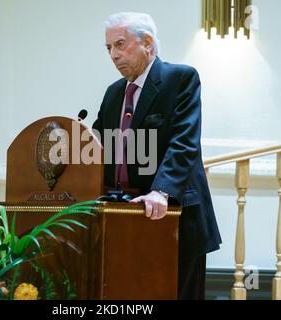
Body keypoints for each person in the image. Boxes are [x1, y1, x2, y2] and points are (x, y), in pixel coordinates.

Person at [92, 12, 222, 300]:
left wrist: (161, 191)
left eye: (120, 44)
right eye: (109, 48)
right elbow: (99, 146)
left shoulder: (180, 78)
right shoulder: (114, 93)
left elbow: (184, 141)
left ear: (147, 43)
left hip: (175, 218)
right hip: (124, 221)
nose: (113, 55)